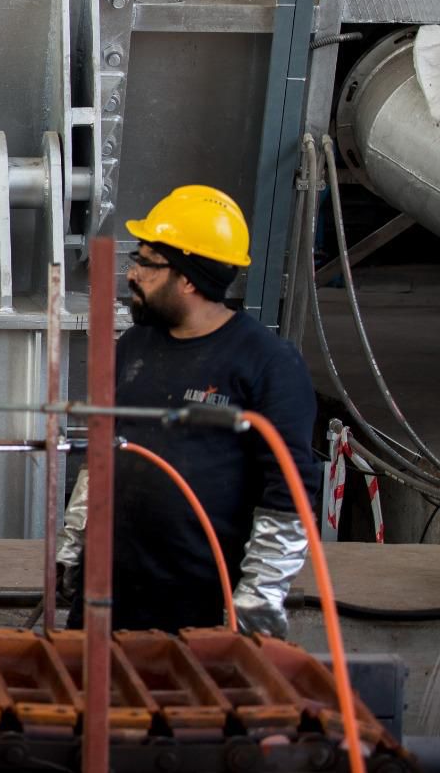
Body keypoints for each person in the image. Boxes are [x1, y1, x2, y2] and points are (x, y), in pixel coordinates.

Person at [56, 185, 317, 636]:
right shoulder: (135, 345)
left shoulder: (267, 362)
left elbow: (289, 494)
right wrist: (74, 541)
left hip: (199, 609)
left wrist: (258, 598)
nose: (132, 275)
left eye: (146, 264)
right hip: (106, 597)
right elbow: (103, 451)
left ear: (190, 278)